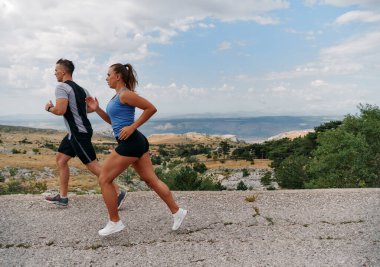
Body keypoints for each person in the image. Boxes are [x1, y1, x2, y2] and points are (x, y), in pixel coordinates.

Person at [86, 63, 187, 236]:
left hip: (131, 142)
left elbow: (151, 108)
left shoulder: (126, 94)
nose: (106, 78)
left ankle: (114, 222)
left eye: (108, 74)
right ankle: (177, 211)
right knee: (151, 180)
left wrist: (132, 127)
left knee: (104, 179)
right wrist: (97, 109)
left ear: (118, 76)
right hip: (136, 142)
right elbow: (114, 122)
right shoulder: (117, 96)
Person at [44, 58, 127, 209]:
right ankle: (63, 197)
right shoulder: (83, 90)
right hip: (74, 132)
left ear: (63, 71)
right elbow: (87, 109)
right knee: (61, 160)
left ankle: (117, 193)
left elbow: (60, 110)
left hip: (78, 133)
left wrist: (49, 108)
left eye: (56, 70)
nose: (54, 73)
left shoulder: (61, 87)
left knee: (93, 166)